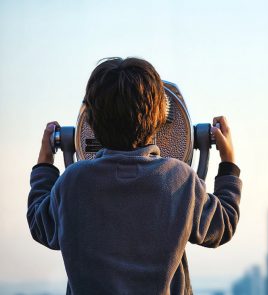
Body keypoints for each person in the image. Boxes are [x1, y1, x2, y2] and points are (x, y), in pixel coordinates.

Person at [27, 57, 242, 295]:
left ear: (89, 121)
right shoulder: (180, 179)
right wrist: (228, 163)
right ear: (161, 116)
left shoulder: (72, 182)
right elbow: (223, 225)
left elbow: (40, 226)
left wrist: (44, 164)